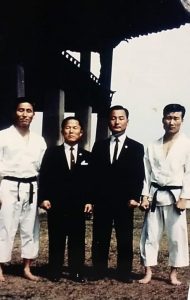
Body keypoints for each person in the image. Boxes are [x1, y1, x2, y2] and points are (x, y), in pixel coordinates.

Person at [90, 105, 145, 283]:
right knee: (100, 235)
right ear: (109, 121)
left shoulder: (137, 147)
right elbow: (94, 174)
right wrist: (92, 199)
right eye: (113, 118)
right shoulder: (99, 146)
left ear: (127, 121)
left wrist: (134, 197)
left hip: (125, 201)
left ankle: (124, 272)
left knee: (124, 236)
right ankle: (98, 270)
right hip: (103, 199)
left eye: (121, 118)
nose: (117, 122)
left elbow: (138, 174)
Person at [139, 103, 190, 285]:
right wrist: (145, 195)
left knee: (177, 237)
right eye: (168, 118)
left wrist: (185, 197)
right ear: (162, 120)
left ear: (182, 121)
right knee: (150, 236)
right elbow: (147, 173)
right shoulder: (153, 145)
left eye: (176, 118)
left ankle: (173, 274)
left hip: (176, 197)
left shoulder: (187, 145)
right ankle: (148, 271)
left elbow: (189, 173)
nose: (171, 122)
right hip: (155, 195)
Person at [38, 116, 92, 283]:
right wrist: (44, 198)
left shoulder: (88, 156)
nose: (71, 131)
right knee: (57, 237)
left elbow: (92, 181)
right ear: (62, 132)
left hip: (78, 205)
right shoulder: (52, 153)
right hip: (57, 203)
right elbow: (44, 177)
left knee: (77, 239)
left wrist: (90, 201)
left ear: (81, 132)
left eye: (75, 128)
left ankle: (76, 271)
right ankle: (55, 270)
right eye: (67, 128)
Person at [0, 97, 46, 282]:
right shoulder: (3, 136)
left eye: (28, 111)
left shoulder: (38, 140)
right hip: (8, 185)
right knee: (5, 227)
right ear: (14, 112)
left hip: (32, 186)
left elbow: (43, 169)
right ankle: (0, 266)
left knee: (30, 228)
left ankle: (27, 267)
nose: (24, 114)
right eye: (21, 110)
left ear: (34, 115)